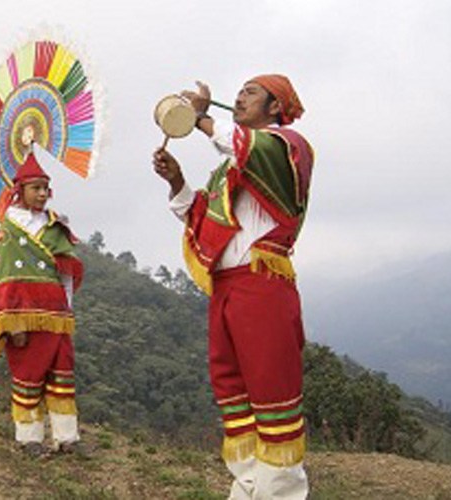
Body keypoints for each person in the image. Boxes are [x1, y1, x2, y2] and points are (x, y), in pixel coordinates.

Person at [152, 74, 314, 499]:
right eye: (239, 92)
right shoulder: (231, 168)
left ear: (276, 107)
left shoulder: (287, 147)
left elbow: (241, 144)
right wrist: (177, 181)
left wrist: (201, 118)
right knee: (235, 397)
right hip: (226, 288)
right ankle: (246, 490)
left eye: (251, 93)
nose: (240, 98)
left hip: (262, 285)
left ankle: (280, 494)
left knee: (273, 399)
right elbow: (203, 220)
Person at [0, 152, 84, 457]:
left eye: (44, 188)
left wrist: (68, 312)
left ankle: (67, 437)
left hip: (56, 317)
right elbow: (1, 281)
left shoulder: (55, 227)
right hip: (23, 319)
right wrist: (12, 323)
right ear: (19, 190)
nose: (41, 194)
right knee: (28, 376)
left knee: (62, 374)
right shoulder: (7, 232)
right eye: (35, 188)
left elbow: (66, 275)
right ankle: (29, 438)